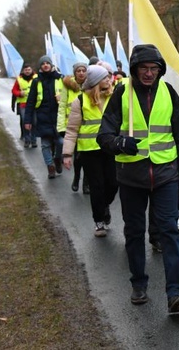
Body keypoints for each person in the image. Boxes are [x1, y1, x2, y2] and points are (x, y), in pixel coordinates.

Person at [97, 44, 179, 312]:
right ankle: (138, 283)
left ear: (160, 70)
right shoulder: (121, 93)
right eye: (144, 68)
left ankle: (176, 293)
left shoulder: (169, 92)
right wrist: (120, 143)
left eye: (154, 68)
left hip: (165, 175)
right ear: (134, 69)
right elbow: (103, 137)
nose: (149, 73)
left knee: (169, 232)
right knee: (134, 232)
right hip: (131, 177)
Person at [62, 65, 119, 236]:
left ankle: (105, 205)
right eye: (105, 77)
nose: (109, 79)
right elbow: (72, 130)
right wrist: (67, 154)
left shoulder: (114, 97)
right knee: (97, 186)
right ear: (95, 81)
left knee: (113, 184)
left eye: (109, 77)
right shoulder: (80, 101)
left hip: (110, 149)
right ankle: (99, 221)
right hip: (89, 152)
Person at [24, 55, 64, 179]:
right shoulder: (36, 81)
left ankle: (57, 159)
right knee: (45, 145)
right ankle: (50, 166)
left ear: (51, 65)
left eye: (47, 63)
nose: (45, 65)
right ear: (40, 67)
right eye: (43, 63)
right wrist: (28, 120)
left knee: (61, 142)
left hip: (59, 117)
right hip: (43, 117)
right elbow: (30, 102)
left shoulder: (60, 79)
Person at [57, 62, 87, 192]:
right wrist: (61, 127)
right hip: (73, 127)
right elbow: (62, 106)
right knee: (77, 156)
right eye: (78, 71)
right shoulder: (68, 86)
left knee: (87, 156)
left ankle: (86, 183)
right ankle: (76, 177)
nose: (81, 73)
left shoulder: (92, 84)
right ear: (75, 73)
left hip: (87, 127)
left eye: (83, 70)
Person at [11, 63, 37, 148]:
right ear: (23, 71)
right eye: (26, 70)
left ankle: (33, 140)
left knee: (34, 122)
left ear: (31, 70)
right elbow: (14, 90)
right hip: (23, 105)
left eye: (29, 70)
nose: (27, 71)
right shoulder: (19, 79)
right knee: (25, 123)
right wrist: (19, 93)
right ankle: (27, 140)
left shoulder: (36, 77)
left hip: (35, 104)